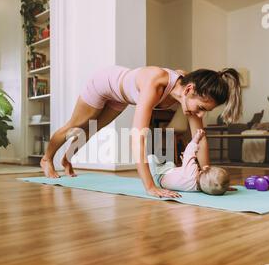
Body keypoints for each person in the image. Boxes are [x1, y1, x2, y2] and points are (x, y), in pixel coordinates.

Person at [40, 65, 242, 198]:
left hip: (120, 97)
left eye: (204, 111)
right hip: (104, 83)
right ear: (189, 89)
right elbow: (138, 137)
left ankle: (67, 160)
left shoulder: (188, 95)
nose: (200, 114)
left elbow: (201, 140)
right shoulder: (156, 83)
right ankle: (47, 159)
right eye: (201, 108)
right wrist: (150, 186)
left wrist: (209, 177)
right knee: (78, 125)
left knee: (92, 129)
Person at [148, 129, 230, 197]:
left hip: (159, 177)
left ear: (205, 168)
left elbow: (189, 152)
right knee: (171, 164)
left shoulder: (192, 171)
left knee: (151, 158)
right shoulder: (197, 188)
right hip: (169, 172)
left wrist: (196, 139)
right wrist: (223, 187)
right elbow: (184, 177)